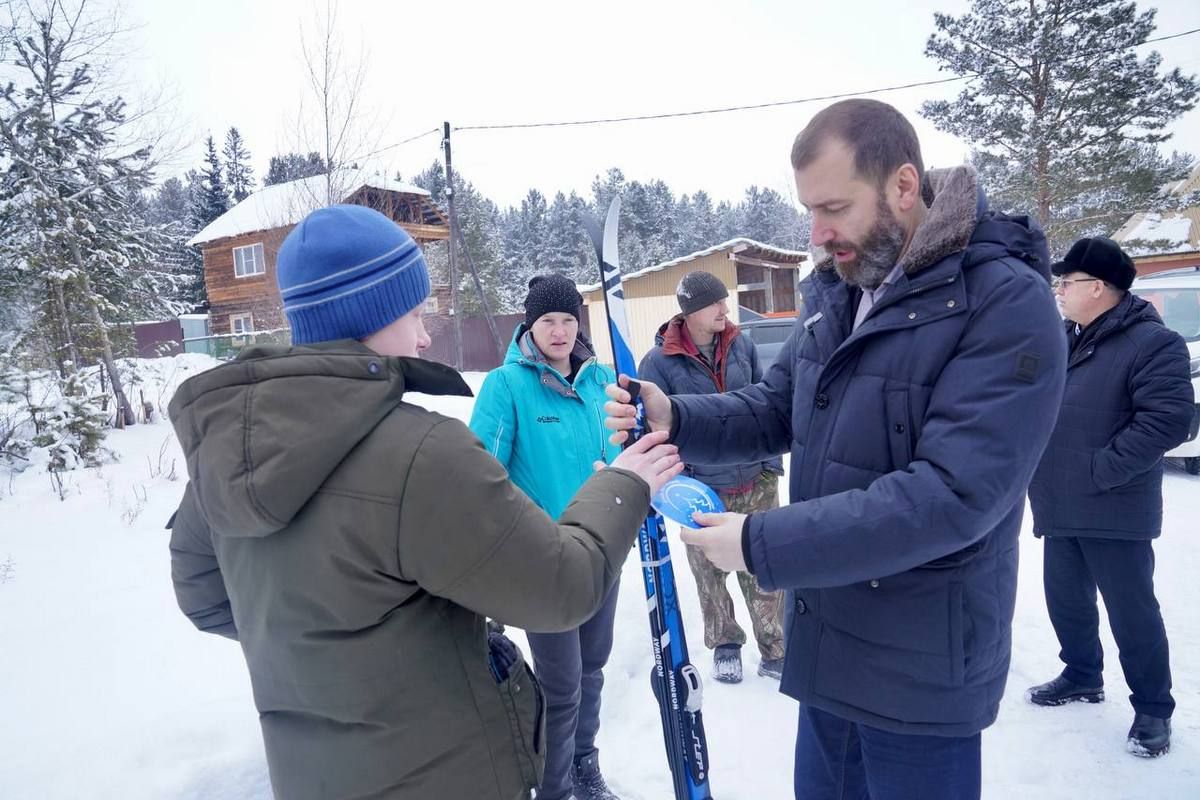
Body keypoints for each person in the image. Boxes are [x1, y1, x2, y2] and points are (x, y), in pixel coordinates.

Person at [604, 99, 1067, 800]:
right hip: (832, 650)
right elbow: (776, 406)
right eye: (808, 212)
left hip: (920, 674)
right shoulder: (839, 294)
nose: (817, 235)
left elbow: (950, 497)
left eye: (834, 208)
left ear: (903, 187)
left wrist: (761, 544)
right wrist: (676, 413)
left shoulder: (1004, 305)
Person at [166, 205, 683, 800]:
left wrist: (335, 642)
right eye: (413, 313)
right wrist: (624, 483)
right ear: (370, 313)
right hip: (442, 767)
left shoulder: (231, 452)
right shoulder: (423, 451)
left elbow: (205, 598)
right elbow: (560, 587)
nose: (423, 335)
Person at [1026, 237, 1194, 758]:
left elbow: (1169, 420)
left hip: (1113, 503)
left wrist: (1102, 470)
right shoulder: (1063, 337)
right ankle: (1081, 674)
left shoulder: (1152, 343)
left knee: (1132, 611)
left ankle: (1152, 709)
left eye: (1067, 282)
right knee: (1066, 600)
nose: (1059, 290)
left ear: (1098, 288)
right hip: (1059, 501)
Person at [470, 273, 624, 800]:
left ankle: (585, 764)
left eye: (566, 320)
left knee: (594, 668)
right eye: (546, 321)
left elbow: (626, 451)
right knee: (562, 686)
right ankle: (553, 787)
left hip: (602, 551)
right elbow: (479, 476)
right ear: (528, 326)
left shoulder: (603, 379)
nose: (558, 332)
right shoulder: (506, 385)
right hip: (543, 559)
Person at [637, 270, 786, 684]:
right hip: (701, 486)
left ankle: (775, 647)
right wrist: (676, 484)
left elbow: (766, 407)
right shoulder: (657, 363)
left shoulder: (743, 346)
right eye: (714, 302)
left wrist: (771, 467)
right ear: (689, 312)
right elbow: (656, 429)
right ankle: (725, 644)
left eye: (725, 299)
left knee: (762, 567)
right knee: (709, 573)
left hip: (755, 479)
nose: (724, 308)